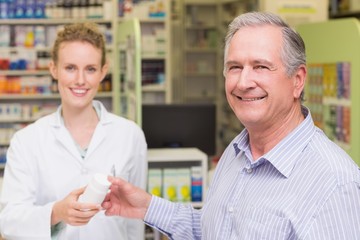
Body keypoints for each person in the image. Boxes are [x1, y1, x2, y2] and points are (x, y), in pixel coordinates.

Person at [102, 11, 360, 239]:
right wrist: (146, 206)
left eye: (261, 66)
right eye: (234, 67)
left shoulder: (334, 182)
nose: (244, 82)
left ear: (298, 80)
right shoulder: (237, 153)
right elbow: (213, 229)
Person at [0, 22, 147, 240]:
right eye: (70, 68)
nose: (80, 80)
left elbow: (135, 222)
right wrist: (56, 212)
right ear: (54, 69)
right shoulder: (27, 141)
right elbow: (8, 221)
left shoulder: (130, 136)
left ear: (103, 72)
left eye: (90, 69)